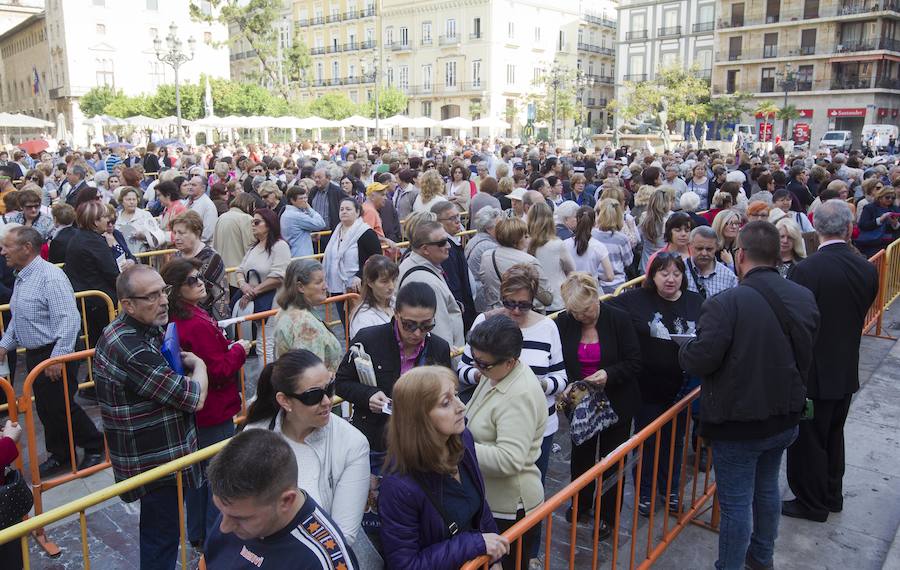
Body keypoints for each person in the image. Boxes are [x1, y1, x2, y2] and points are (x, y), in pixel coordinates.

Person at [679, 222, 819, 570]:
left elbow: (701, 358)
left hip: (740, 422)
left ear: (739, 255)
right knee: (767, 489)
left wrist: (686, 349)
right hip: (785, 415)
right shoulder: (802, 295)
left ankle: (731, 565)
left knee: (737, 503)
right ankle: (762, 557)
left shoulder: (727, 303)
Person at [93, 265, 210, 570]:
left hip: (165, 453)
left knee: (164, 534)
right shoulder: (127, 346)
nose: (163, 301)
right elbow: (194, 397)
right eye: (152, 296)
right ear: (127, 304)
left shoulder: (142, 327)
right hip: (154, 461)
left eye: (164, 291)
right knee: (161, 539)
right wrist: (200, 367)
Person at [785, 200, 879, 523]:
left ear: (817, 226)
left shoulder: (806, 269)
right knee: (833, 436)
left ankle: (812, 502)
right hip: (845, 369)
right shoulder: (866, 268)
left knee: (809, 441)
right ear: (847, 227)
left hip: (812, 372)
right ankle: (831, 493)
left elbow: (794, 320)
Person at [160, 258, 250, 550]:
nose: (199, 282)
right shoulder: (193, 323)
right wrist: (239, 350)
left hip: (200, 410)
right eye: (191, 280)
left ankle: (199, 534)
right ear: (175, 289)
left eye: (199, 277)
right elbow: (220, 371)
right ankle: (215, 539)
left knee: (199, 477)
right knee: (216, 476)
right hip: (212, 409)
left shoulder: (186, 317)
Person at [379, 366, 509, 570]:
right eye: (446, 403)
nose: (461, 407)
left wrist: (494, 559)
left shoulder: (462, 439)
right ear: (419, 417)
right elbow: (405, 565)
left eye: (456, 395)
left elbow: (480, 508)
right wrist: (474, 544)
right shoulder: (398, 485)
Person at [0, 226, 103, 477]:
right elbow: (20, 317)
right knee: (47, 408)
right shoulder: (23, 275)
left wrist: (58, 357)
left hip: (55, 352)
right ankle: (61, 454)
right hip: (39, 354)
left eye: (7, 246)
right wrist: (4, 345)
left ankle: (95, 445)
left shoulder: (50, 277)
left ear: (26, 248)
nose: (2, 251)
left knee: (62, 406)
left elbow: (68, 319)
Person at [243, 349, 370, 549]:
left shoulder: (352, 443)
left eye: (329, 389)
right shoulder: (255, 434)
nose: (327, 401)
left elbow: (343, 536)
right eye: (313, 396)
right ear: (284, 401)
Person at [608, 253, 703, 517]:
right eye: (664, 273)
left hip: (682, 388)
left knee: (675, 441)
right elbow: (607, 309)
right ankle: (645, 493)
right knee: (647, 442)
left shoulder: (696, 302)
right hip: (647, 387)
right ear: (652, 276)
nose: (670, 279)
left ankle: (670, 489)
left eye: (676, 273)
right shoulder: (635, 300)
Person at [459, 264, 567, 484]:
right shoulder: (484, 321)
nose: (515, 311)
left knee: (531, 481)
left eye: (524, 305)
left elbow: (561, 378)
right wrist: (485, 374)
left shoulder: (547, 327)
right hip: (488, 424)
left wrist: (537, 386)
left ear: (533, 301)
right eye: (509, 303)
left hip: (540, 423)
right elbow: (463, 370)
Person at [555, 272, 640, 535]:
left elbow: (635, 361)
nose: (582, 317)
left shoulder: (619, 319)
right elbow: (558, 360)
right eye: (576, 312)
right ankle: (580, 504)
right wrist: (568, 383)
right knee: (581, 457)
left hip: (617, 402)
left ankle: (607, 515)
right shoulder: (564, 322)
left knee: (612, 460)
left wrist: (609, 374)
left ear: (596, 297)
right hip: (582, 405)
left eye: (587, 309)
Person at [204, 429, 359, 569]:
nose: (223, 527)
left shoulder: (323, 560)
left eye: (241, 519)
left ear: (286, 501)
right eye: (220, 510)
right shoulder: (234, 509)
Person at [464, 314, 547, 570]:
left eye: (484, 364)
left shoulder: (518, 394)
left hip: (508, 508)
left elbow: (509, 460)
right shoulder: (495, 374)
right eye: (475, 359)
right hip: (490, 499)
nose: (478, 367)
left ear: (511, 361)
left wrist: (456, 448)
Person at [398, 220, 465, 353]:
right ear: (425, 249)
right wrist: (448, 363)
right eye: (442, 242)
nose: (448, 246)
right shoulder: (427, 282)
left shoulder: (411, 262)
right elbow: (439, 330)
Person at [64, 201, 121, 354]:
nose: (108, 221)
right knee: (104, 343)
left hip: (89, 300)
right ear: (95, 222)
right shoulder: (94, 241)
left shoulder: (79, 237)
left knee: (95, 341)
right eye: (104, 217)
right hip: (100, 301)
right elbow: (111, 273)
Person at [271, 259, 343, 369]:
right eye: (319, 282)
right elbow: (311, 373)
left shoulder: (285, 311)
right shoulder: (305, 324)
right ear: (300, 287)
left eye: (324, 281)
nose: (325, 287)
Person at [322, 197, 382, 323]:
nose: (344, 212)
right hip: (337, 285)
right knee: (346, 324)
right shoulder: (336, 231)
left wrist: (360, 275)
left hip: (357, 287)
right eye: (341, 209)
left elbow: (376, 258)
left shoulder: (366, 233)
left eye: (348, 209)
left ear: (357, 212)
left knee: (359, 322)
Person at [477, 217, 552, 312]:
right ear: (517, 240)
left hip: (497, 312)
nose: (528, 239)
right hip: (524, 314)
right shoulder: (530, 261)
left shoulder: (486, 256)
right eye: (525, 236)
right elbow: (547, 298)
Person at [170, 211, 228, 321]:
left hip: (207, 317)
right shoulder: (176, 256)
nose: (176, 237)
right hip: (180, 315)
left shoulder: (211, 258)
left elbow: (218, 297)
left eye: (182, 233)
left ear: (196, 232)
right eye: (174, 232)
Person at [233, 207, 291, 314]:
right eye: (252, 222)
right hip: (250, 304)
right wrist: (243, 285)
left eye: (257, 222)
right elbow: (240, 270)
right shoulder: (253, 248)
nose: (253, 225)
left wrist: (253, 292)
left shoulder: (280, 246)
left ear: (269, 224)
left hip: (272, 305)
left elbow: (278, 277)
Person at [432, 200, 477, 329]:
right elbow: (454, 285)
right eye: (452, 218)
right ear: (438, 222)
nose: (458, 221)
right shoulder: (445, 249)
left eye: (458, 216)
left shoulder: (453, 243)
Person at [527, 202, 575, 312]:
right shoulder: (557, 244)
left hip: (533, 300)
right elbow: (571, 268)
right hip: (557, 299)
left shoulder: (524, 244)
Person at [213, 193, 255, 298]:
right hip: (238, 274)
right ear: (249, 205)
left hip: (222, 272)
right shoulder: (246, 218)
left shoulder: (222, 217)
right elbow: (250, 245)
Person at [348, 254, 398, 338]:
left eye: (393, 280)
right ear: (370, 282)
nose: (391, 286)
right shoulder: (363, 318)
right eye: (384, 281)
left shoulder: (396, 303)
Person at [684, 226, 738, 299]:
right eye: (699, 248)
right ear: (689, 246)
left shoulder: (729, 277)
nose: (704, 253)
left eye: (709, 249)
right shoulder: (679, 270)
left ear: (716, 247)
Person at [592, 198, 634, 294]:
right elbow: (628, 261)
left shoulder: (592, 235)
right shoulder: (622, 239)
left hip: (597, 284)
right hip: (617, 285)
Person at [565, 205, 614, 285]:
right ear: (594, 223)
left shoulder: (565, 244)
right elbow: (610, 276)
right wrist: (597, 276)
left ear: (577, 220)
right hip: (591, 288)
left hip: (571, 289)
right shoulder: (599, 246)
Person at [464, 207, 502, 308]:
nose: (503, 227)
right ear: (489, 228)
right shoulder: (490, 246)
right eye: (499, 225)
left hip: (474, 291)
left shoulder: (475, 239)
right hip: (482, 297)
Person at [280, 185, 326, 258]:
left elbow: (295, 235)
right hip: (302, 256)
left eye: (305, 197)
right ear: (292, 200)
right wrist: (309, 208)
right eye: (301, 198)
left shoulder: (286, 213)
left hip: (295, 254)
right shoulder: (296, 215)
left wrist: (309, 236)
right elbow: (320, 224)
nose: (305, 201)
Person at [115, 186, 164, 254]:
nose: (131, 202)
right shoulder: (116, 217)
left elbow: (157, 237)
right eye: (128, 199)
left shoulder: (145, 215)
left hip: (143, 254)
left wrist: (144, 236)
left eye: (134, 199)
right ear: (122, 201)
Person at [856, 184, 900, 256]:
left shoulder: (895, 208)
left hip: (891, 244)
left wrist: (895, 224)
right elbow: (862, 225)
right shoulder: (869, 208)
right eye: (887, 197)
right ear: (880, 197)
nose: (890, 200)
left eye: (893, 198)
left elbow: (897, 229)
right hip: (873, 243)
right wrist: (880, 220)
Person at [638, 189, 672, 271]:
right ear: (666, 203)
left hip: (646, 263)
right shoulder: (671, 219)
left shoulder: (644, 217)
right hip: (665, 263)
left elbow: (640, 239)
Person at [310, 165, 345, 233]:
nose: (316, 180)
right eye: (315, 177)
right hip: (314, 232)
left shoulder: (337, 191)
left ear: (328, 178)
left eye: (319, 177)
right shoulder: (313, 191)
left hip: (331, 232)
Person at [184, 175, 217, 244]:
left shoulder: (208, 205)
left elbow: (208, 232)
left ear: (203, 188)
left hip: (200, 247)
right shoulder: (187, 201)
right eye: (189, 184)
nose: (190, 187)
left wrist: (192, 243)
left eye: (193, 185)